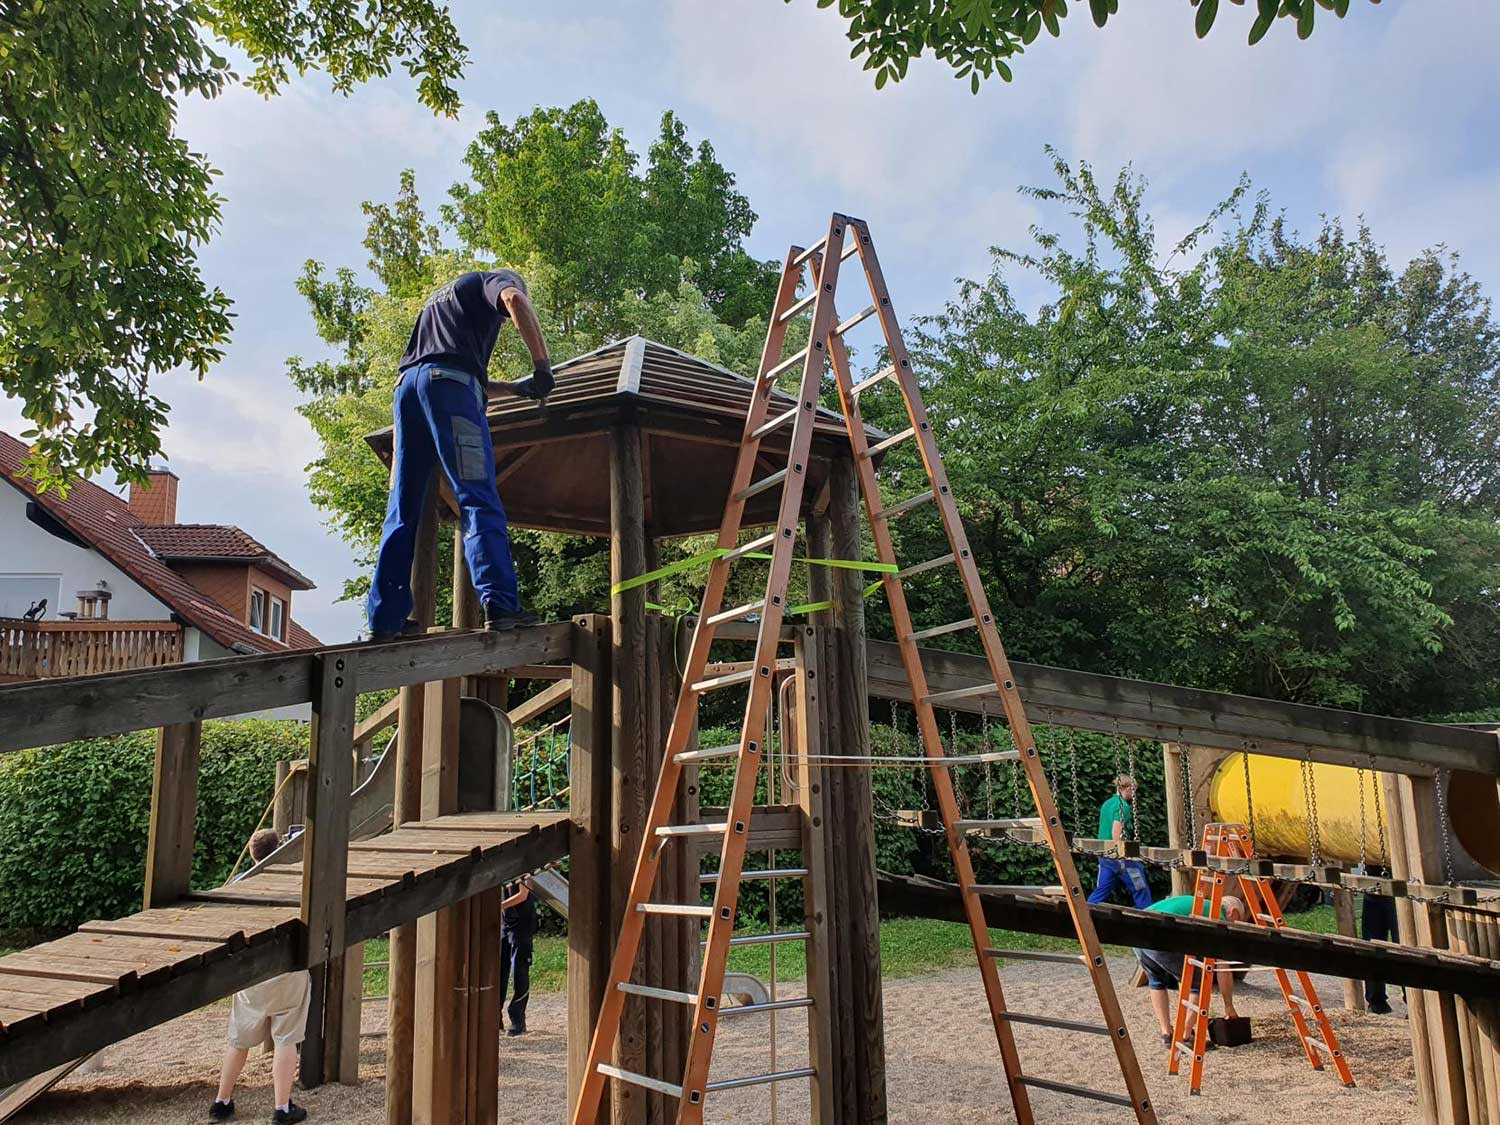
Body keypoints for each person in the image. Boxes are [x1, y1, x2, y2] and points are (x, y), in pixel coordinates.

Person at [366, 269, 555, 640]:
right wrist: (542, 367)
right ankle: (500, 604)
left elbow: (441, 369)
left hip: (407, 391)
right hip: (448, 387)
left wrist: (516, 389)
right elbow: (515, 301)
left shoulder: (443, 302)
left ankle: (385, 620)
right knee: (476, 496)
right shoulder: (493, 281)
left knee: (403, 507)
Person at [211, 829, 312, 1123]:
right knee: (286, 1038)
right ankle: (282, 1107)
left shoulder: (238, 883)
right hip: (286, 968)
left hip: (251, 972)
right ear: (280, 849)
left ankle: (222, 1100)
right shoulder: (295, 881)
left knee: (239, 1040)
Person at [1134, 894, 1247, 1048]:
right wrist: (1229, 1006)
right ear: (1232, 912)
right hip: (1160, 935)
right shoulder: (1217, 916)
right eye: (1236, 921)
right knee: (1199, 983)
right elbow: (1223, 967)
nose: (1233, 927)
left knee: (1157, 982)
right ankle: (1185, 1036)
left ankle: (1167, 1033)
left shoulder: (1199, 905)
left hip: (1137, 931)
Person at [1087, 774, 1153, 909]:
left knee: (1102, 889)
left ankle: (1087, 909)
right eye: (1133, 790)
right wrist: (1123, 853)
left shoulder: (1107, 804)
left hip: (1105, 853)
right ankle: (1147, 912)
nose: (1134, 794)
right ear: (1128, 788)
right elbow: (1116, 830)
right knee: (1140, 887)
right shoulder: (1123, 806)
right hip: (1118, 854)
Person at [499, 877, 538, 1036]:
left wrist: (500, 905)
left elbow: (523, 894)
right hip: (506, 925)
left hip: (522, 925)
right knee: (500, 970)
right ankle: (495, 1016)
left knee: (519, 971)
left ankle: (517, 1019)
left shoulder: (524, 870)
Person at [1360, 867, 1399, 1015]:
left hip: (1398, 882)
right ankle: (1375, 1000)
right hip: (1373, 881)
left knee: (1403, 945)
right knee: (1371, 945)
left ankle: (1412, 1000)